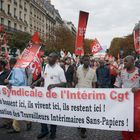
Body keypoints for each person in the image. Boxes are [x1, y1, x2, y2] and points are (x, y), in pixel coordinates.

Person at [32, 52, 66, 139]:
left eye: (51, 57)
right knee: (42, 113)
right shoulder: (45, 66)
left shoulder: (59, 70)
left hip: (54, 98)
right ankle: (44, 130)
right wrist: (36, 82)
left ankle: (53, 133)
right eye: (48, 57)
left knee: (53, 115)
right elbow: (43, 77)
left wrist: (54, 85)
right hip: (45, 96)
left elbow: (64, 83)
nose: (48, 58)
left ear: (55, 59)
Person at [114, 55, 140, 140]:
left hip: (137, 101)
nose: (124, 63)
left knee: (136, 121)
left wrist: (138, 89)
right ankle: (126, 137)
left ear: (132, 62)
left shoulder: (139, 71)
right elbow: (117, 84)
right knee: (125, 119)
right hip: (125, 100)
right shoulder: (121, 72)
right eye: (124, 61)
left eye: (126, 61)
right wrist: (114, 93)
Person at [74, 55, 97, 138]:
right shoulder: (78, 69)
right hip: (78, 93)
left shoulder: (93, 71)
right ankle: (79, 123)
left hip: (88, 94)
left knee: (85, 111)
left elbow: (94, 83)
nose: (87, 62)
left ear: (90, 61)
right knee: (79, 110)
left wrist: (94, 93)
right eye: (85, 60)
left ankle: (83, 130)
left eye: (88, 60)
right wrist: (74, 72)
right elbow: (75, 81)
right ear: (82, 61)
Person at [4, 58, 27, 133]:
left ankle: (16, 128)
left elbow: (19, 81)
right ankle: (28, 121)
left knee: (17, 109)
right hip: (19, 93)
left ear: (11, 64)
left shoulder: (17, 69)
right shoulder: (18, 69)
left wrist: (9, 81)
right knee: (18, 109)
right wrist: (10, 84)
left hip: (18, 93)